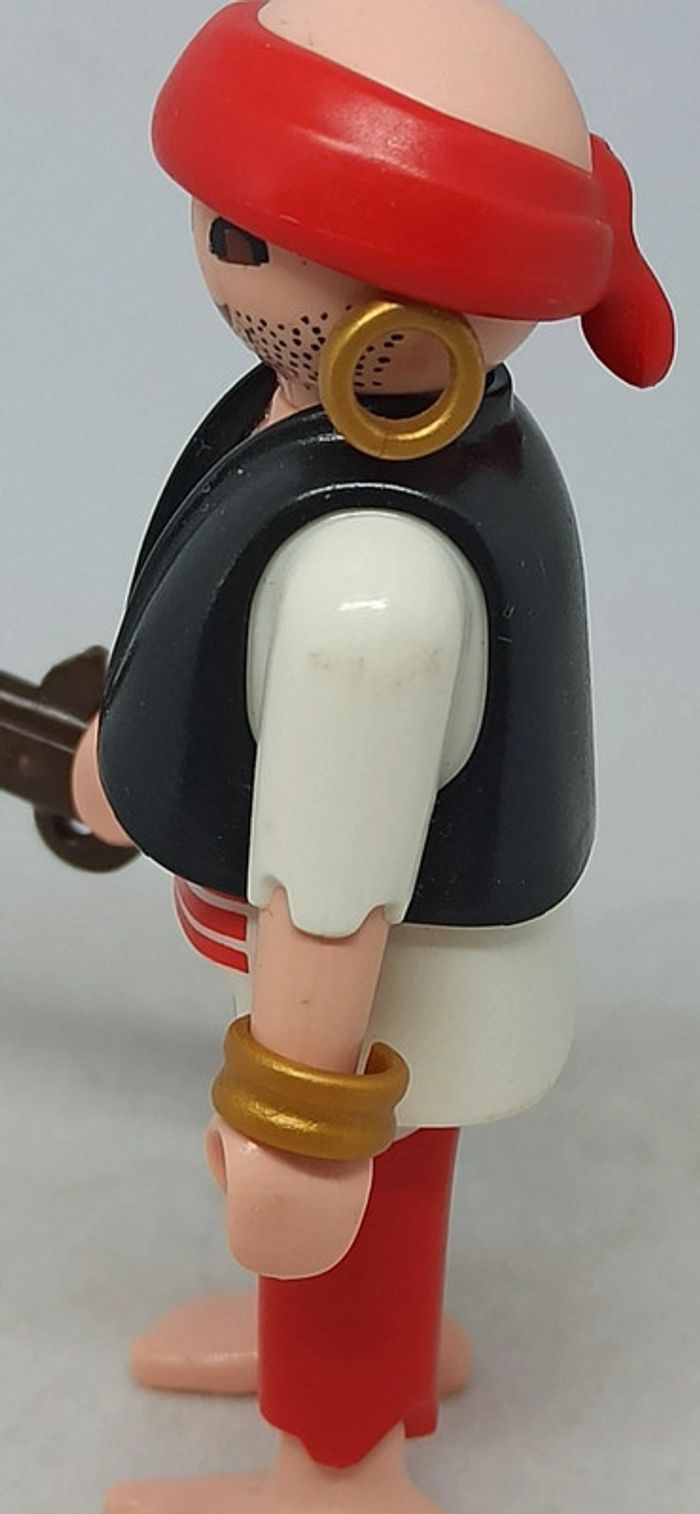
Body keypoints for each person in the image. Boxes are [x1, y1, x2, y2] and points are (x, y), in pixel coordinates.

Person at [70, 3, 673, 1510]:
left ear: (397, 319)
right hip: (396, 966)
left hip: (375, 984)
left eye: (247, 235)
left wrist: (300, 1111)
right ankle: (382, 1367)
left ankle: (338, 1466)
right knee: (387, 1198)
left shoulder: (372, 584)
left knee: (360, 1202)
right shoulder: (380, 436)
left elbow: (333, 877)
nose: (212, 255)